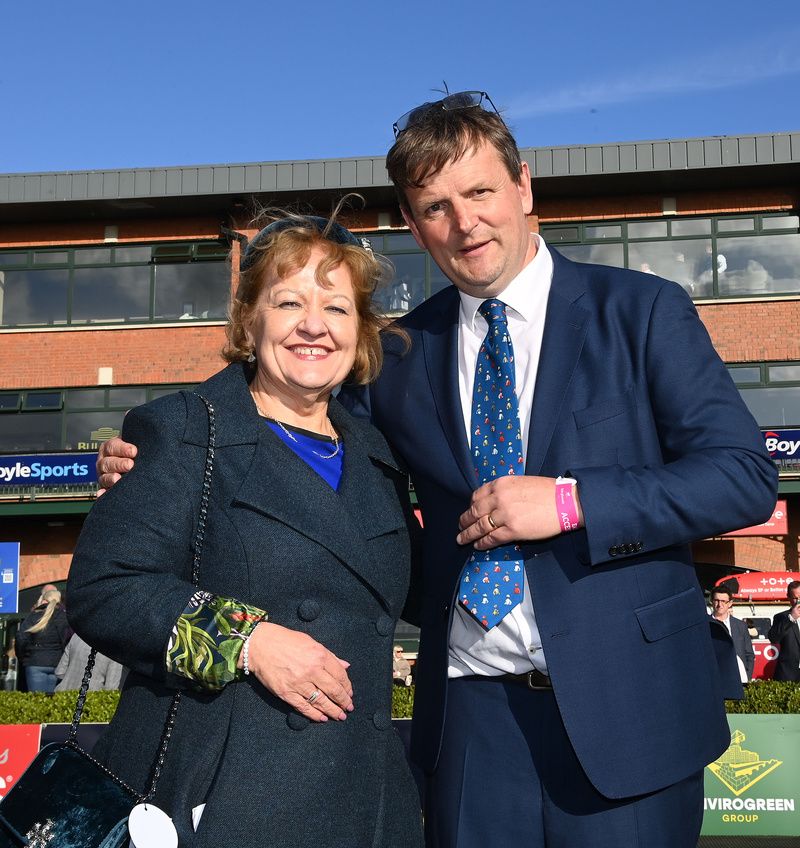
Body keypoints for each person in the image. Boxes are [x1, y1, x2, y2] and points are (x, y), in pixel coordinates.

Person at [97, 92, 778, 848]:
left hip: (630, 714)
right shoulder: (398, 356)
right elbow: (287, 431)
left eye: (480, 192)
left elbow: (743, 476)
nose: (465, 223)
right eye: (434, 207)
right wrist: (151, 457)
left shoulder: (641, 311)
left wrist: (571, 501)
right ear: (416, 225)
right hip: (471, 725)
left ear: (523, 186)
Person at [70, 212, 423, 847]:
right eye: (289, 302)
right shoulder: (185, 429)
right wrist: (248, 641)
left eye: (336, 308)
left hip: (365, 799)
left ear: (361, 333)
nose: (314, 325)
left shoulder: (380, 457)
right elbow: (104, 589)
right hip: (227, 800)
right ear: (250, 319)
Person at [14, 587, 70, 693]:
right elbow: (67, 640)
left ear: (44, 600)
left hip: (35, 662)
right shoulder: (64, 617)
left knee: (37, 702)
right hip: (57, 663)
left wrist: (23, 657)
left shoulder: (33, 617)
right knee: (54, 704)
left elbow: (21, 638)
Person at [710, 585, 755, 682]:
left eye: (723, 601)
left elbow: (749, 654)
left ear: (730, 603)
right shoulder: (704, 625)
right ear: (711, 601)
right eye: (716, 600)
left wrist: (746, 677)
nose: (719, 604)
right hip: (712, 678)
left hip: (737, 679)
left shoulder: (741, 626)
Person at [54, 632, 125, 691]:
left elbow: (60, 672)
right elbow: (111, 688)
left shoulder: (78, 635)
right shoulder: (116, 649)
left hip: (63, 697)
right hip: (90, 702)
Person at [767, 580, 800, 681]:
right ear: (788, 597)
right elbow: (773, 638)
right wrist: (791, 619)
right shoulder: (781, 617)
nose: (798, 601)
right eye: (795, 598)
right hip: (789, 674)